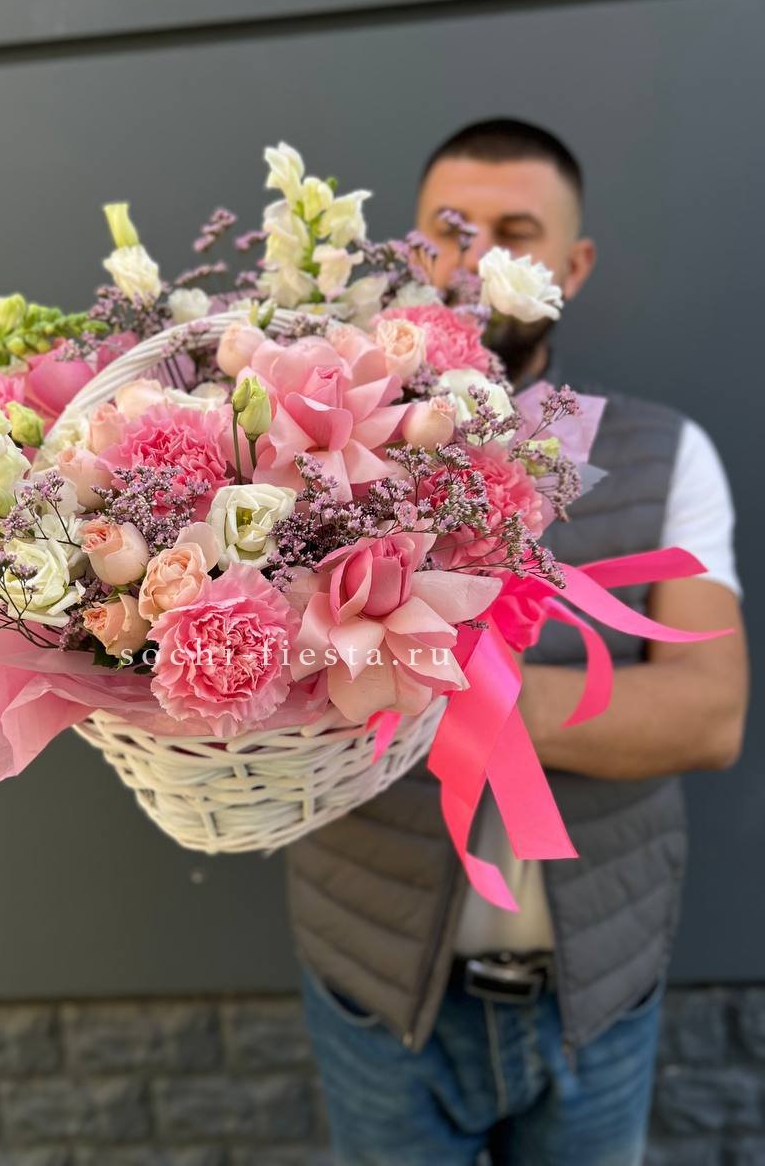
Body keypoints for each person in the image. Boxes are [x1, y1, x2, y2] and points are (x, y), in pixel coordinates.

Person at [287, 118, 749, 1166]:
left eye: (517, 233)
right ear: (409, 253)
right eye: (451, 232)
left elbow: (709, 712)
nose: (478, 259)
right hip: (373, 986)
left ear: (571, 267)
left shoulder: (666, 454)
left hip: (596, 994)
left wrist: (449, 687)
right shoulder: (313, 444)